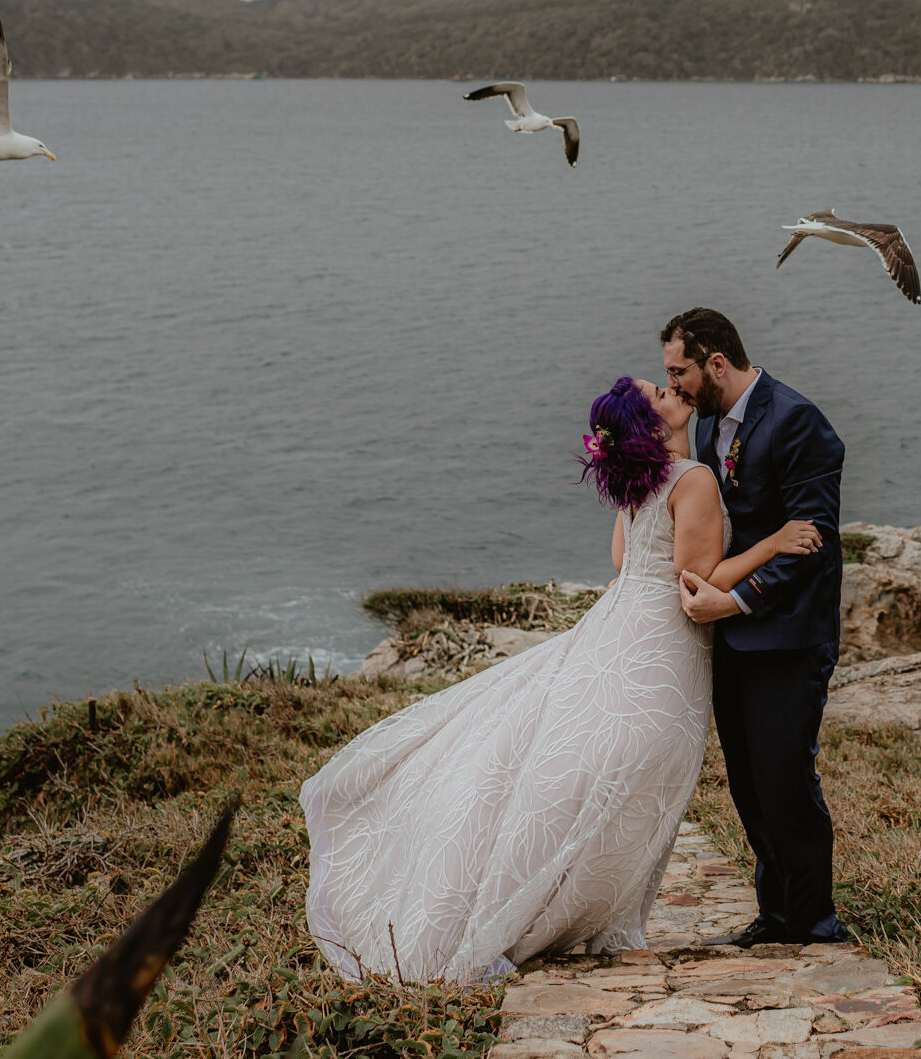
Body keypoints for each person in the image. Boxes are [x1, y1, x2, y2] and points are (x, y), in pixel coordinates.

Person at [299, 377, 819, 983]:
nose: (671, 386)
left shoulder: (645, 478)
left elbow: (626, 562)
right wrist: (775, 544)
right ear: (653, 426)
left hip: (619, 624)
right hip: (659, 645)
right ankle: (559, 909)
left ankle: (559, 904)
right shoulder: (693, 477)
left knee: (587, 764)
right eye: (659, 390)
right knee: (630, 775)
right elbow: (696, 579)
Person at [664, 307, 851, 947]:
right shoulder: (713, 420)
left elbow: (813, 543)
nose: (676, 384)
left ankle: (814, 922)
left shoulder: (800, 422)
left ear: (716, 361)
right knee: (747, 780)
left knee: (785, 778)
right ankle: (776, 915)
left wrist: (735, 602)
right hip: (732, 638)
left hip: (789, 634)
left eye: (679, 370)